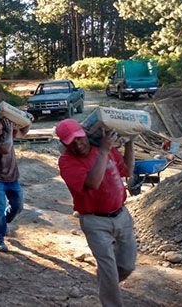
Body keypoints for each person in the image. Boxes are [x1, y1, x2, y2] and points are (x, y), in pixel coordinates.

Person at [55, 119, 136, 307]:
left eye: (79, 138)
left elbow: (128, 170)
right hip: (95, 222)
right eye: (71, 142)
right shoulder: (67, 161)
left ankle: (107, 280)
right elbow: (93, 183)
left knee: (126, 266)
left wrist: (130, 142)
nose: (78, 144)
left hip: (122, 216)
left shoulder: (102, 148)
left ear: (85, 134)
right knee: (109, 270)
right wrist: (104, 151)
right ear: (63, 144)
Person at [0, 115, 29, 252]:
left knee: (18, 206)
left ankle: (4, 223)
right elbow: (5, 149)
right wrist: (9, 132)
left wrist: (27, 120)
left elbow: (23, 132)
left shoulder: (6, 133)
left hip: (13, 178)